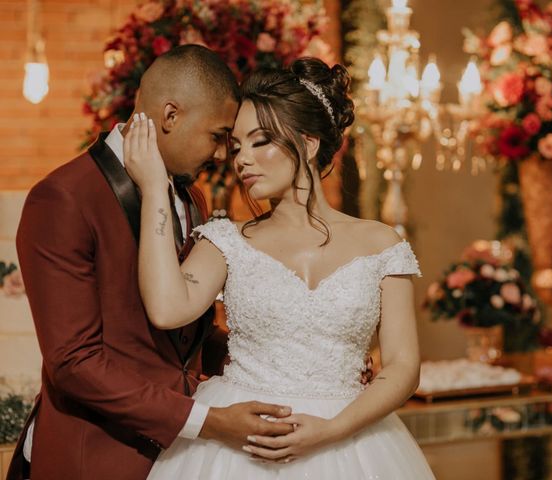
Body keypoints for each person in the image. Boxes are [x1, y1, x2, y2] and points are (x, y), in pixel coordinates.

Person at [124, 57, 435, 479]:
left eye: (260, 141)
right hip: (238, 451)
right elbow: (166, 309)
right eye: (236, 146)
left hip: (353, 446)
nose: (241, 160)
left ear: (308, 145)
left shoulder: (382, 244)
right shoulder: (227, 241)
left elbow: (403, 366)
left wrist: (330, 430)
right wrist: (155, 190)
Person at [9, 45, 295, 480]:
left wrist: (296, 355)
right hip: (98, 456)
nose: (223, 156)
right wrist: (208, 422)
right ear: (171, 116)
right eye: (218, 136)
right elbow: (74, 363)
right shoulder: (64, 198)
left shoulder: (189, 195)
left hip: (181, 458)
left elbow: (184, 337)